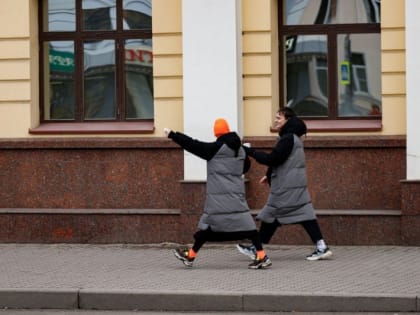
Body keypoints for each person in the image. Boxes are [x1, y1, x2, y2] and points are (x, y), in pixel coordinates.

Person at [164, 118, 271, 269]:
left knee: (208, 226)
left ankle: (190, 256)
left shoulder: (215, 149)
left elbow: (192, 144)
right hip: (236, 196)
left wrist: (173, 135)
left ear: (217, 133)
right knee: (247, 227)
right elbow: (245, 168)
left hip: (219, 198)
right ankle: (261, 256)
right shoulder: (240, 150)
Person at [236, 108, 333, 261]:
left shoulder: (288, 138)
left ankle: (257, 247)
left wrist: (250, 151)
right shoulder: (295, 138)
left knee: (272, 214)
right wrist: (268, 175)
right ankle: (321, 246)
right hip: (293, 184)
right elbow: (282, 160)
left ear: (287, 120)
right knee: (302, 213)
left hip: (286, 186)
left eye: (279, 118)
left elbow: (272, 159)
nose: (276, 120)